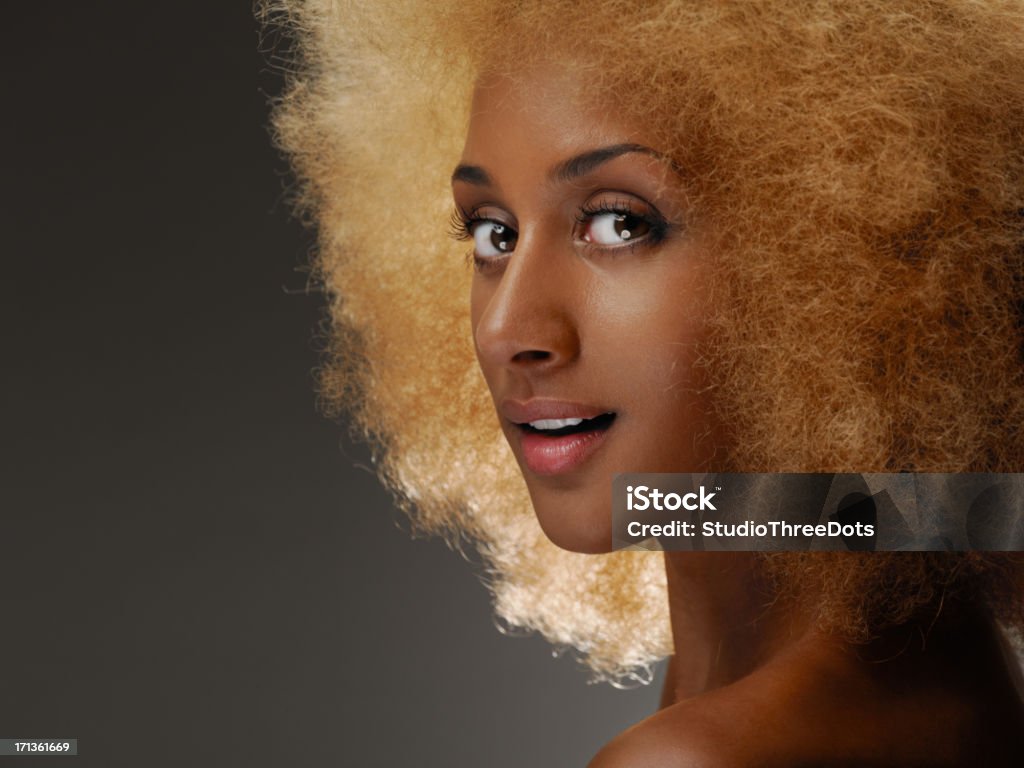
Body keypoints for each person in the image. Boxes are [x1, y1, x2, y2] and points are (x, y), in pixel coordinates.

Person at [267, 0, 1024, 763]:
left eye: (619, 223)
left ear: (856, 249)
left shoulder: (700, 756)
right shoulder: (940, 676)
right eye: (494, 232)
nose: (505, 330)